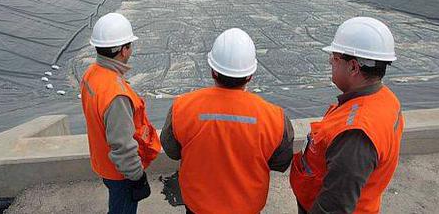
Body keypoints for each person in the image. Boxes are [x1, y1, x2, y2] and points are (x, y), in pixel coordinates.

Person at [161, 28, 295, 214]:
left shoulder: (182, 108)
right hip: (247, 207)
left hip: (198, 206)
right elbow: (280, 162)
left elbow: (172, 151)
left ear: (213, 71)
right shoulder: (274, 118)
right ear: (250, 75)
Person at [290, 17, 404, 214]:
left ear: (353, 67)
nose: (330, 61)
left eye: (335, 57)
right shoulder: (385, 98)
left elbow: (334, 207)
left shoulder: (355, 134)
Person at [80, 12, 161, 214]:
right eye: (130, 45)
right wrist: (137, 177)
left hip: (103, 162)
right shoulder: (117, 95)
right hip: (120, 174)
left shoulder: (92, 73)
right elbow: (123, 147)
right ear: (123, 50)